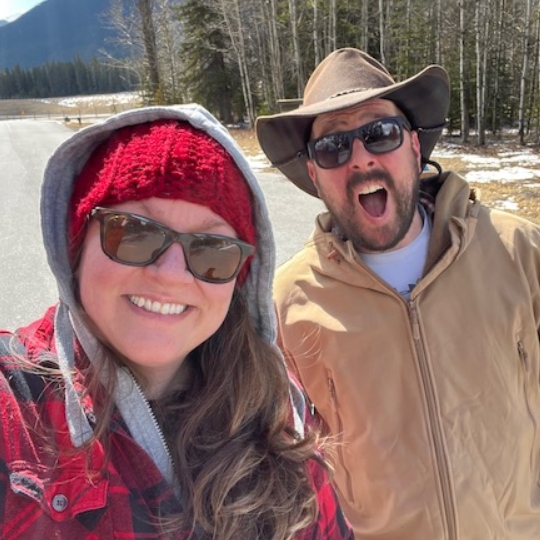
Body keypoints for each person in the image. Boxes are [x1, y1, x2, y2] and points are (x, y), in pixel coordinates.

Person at [0, 104, 354, 540]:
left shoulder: (276, 410)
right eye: (133, 232)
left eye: (211, 250)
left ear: (238, 279)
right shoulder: (15, 407)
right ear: (75, 244)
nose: (170, 273)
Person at [256, 47, 540, 539]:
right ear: (314, 174)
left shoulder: (519, 251)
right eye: (332, 148)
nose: (361, 157)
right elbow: (285, 469)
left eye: (379, 133)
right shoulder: (288, 303)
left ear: (413, 146)